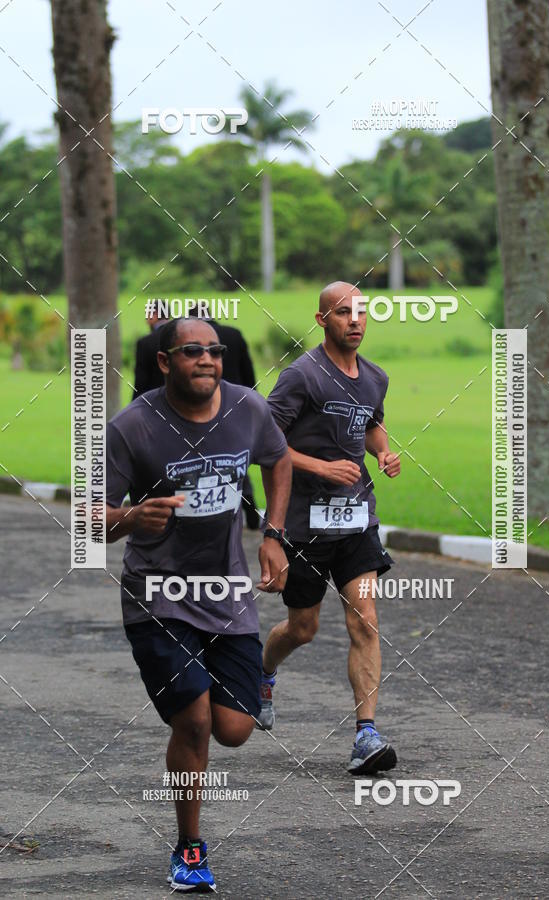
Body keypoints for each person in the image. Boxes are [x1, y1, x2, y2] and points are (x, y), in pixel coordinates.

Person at [106, 317, 291, 891]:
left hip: (226, 594)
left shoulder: (247, 408)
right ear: (165, 363)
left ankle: (259, 678)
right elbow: (91, 519)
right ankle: (189, 849)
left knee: (233, 729)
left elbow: (278, 460)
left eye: (214, 351)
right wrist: (131, 516)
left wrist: (273, 534)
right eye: (192, 352)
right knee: (195, 719)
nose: (207, 360)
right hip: (158, 595)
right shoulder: (131, 428)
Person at [258, 281, 401, 776]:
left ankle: (366, 735)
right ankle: (264, 671)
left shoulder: (375, 377)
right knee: (303, 628)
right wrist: (320, 467)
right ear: (323, 320)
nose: (355, 321)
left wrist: (381, 451)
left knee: (364, 618)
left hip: (357, 519)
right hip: (304, 525)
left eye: (361, 312)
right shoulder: (301, 376)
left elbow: (370, 423)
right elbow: (266, 441)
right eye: (343, 313)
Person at [132, 306, 261, 529]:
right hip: (231, 410)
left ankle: (179, 511)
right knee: (232, 461)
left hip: (171, 415)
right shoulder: (234, 334)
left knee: (180, 462)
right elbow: (249, 377)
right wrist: (249, 407)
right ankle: (248, 511)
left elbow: (140, 387)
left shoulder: (149, 342)